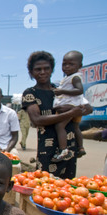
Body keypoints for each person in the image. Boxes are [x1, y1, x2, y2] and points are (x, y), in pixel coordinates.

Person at [22, 51, 92, 179]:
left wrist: (73, 108)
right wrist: (71, 112)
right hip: (47, 150)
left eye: (46, 68)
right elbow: (37, 120)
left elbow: (88, 108)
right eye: (38, 69)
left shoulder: (62, 90)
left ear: (52, 70)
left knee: (68, 187)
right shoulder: (30, 93)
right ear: (31, 72)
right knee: (45, 186)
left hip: (69, 147)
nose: (42, 72)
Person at [52, 50, 88, 162]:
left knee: (59, 126)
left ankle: (63, 150)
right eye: (64, 64)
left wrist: (62, 91)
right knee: (76, 127)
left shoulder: (75, 78)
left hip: (71, 107)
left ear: (79, 66)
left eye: (71, 64)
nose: (67, 67)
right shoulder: (68, 78)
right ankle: (81, 147)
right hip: (75, 106)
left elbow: (80, 90)